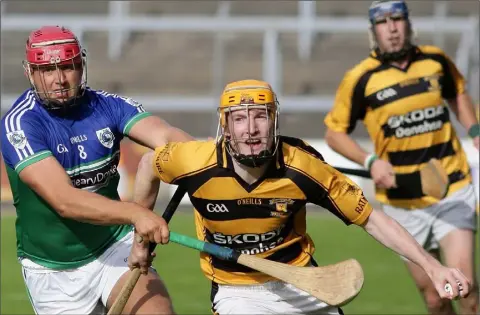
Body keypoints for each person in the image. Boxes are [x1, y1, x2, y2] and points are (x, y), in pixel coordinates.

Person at [132, 79, 471, 315]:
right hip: (237, 290)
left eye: (260, 116)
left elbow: (372, 219)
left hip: (304, 281)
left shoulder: (303, 167)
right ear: (225, 125)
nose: (250, 129)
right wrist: (140, 233)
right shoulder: (194, 159)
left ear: (274, 120)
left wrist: (432, 265)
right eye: (239, 119)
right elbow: (148, 164)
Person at [1, 25, 194, 314]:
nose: (59, 79)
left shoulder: (108, 106)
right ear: (31, 73)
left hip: (114, 249)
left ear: (82, 66)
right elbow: (64, 200)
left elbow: (166, 138)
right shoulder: (20, 125)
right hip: (54, 272)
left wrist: (199, 156)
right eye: (47, 70)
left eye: (68, 67)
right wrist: (137, 214)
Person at [323, 1, 479, 314]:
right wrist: (370, 162)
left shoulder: (436, 60)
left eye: (397, 19)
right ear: (373, 31)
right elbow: (334, 134)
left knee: (463, 289)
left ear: (408, 24)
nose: (392, 28)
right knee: (435, 299)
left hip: (452, 187)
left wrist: (475, 131)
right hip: (403, 200)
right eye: (383, 22)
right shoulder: (360, 78)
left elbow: (457, 92)